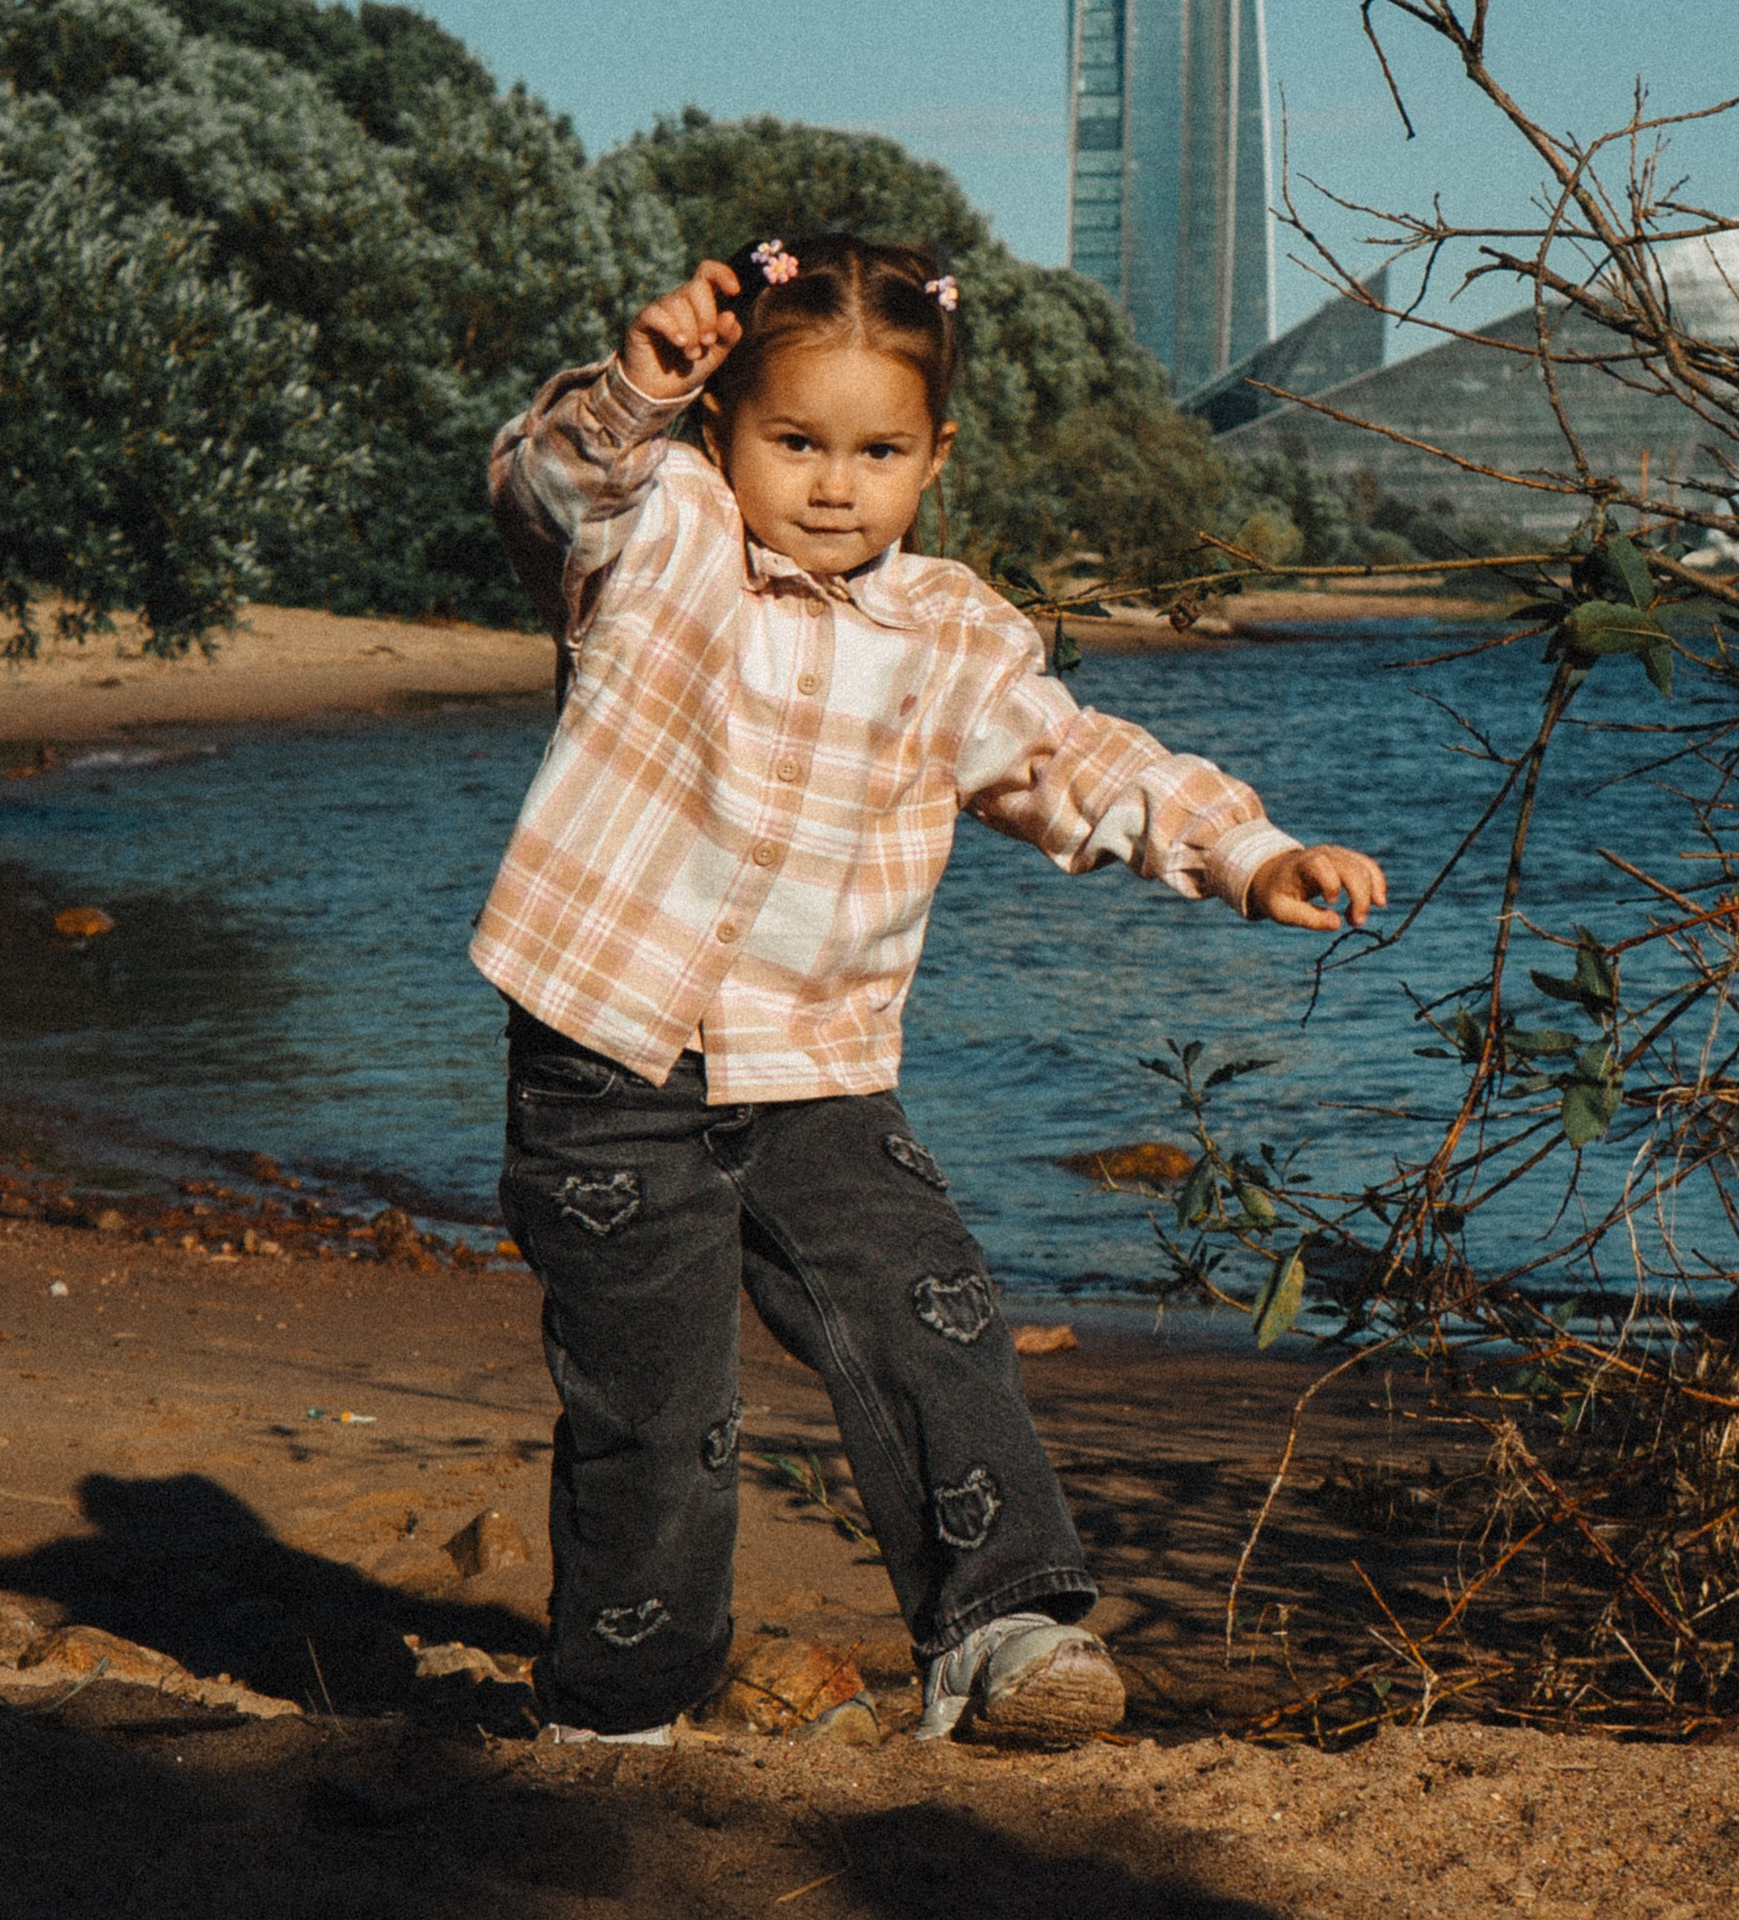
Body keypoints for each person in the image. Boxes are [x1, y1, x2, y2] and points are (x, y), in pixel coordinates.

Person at [473, 234, 1384, 1752]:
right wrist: (632, 388)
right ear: (725, 427)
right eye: (796, 442)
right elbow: (542, 485)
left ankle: (1000, 1631)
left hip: (821, 1064)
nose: (836, 486)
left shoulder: (955, 633)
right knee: (659, 1410)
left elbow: (1078, 763)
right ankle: (619, 1713)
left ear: (936, 456)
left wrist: (1249, 852)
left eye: (878, 452)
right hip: (606, 1053)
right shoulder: (659, 530)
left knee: (932, 1314)